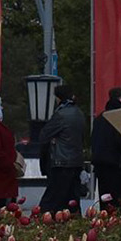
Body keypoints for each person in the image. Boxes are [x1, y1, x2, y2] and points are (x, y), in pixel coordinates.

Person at [38, 85, 88, 214]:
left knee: (52, 200)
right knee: (72, 200)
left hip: (61, 162)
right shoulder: (79, 113)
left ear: (58, 98)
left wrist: (53, 139)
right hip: (76, 162)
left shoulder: (61, 115)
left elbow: (44, 135)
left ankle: (42, 225)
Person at [91, 89, 121, 210]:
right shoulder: (119, 119)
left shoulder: (99, 119)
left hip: (100, 166)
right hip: (116, 166)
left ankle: (106, 223)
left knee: (106, 202)